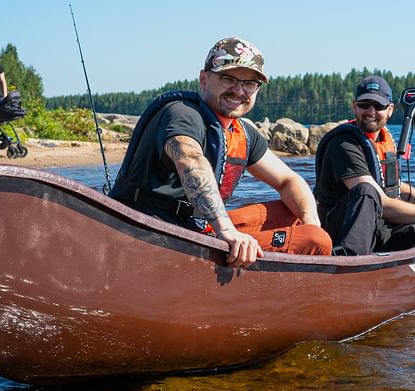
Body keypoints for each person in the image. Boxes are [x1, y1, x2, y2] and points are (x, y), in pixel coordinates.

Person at [110, 37, 332, 268]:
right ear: (204, 79)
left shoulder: (243, 132)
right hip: (154, 230)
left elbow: (290, 181)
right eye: (228, 79)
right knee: (316, 241)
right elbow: (190, 159)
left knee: (297, 217)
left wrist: (311, 222)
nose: (238, 91)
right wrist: (226, 231)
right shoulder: (182, 114)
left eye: (250, 84)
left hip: (196, 226)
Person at [314, 75, 415, 256]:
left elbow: (395, 188)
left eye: (378, 106)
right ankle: (348, 261)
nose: (371, 111)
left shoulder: (382, 139)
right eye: (364, 104)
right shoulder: (343, 145)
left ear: (390, 110)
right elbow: (380, 202)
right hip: (342, 229)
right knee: (366, 191)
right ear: (354, 106)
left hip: (379, 228)